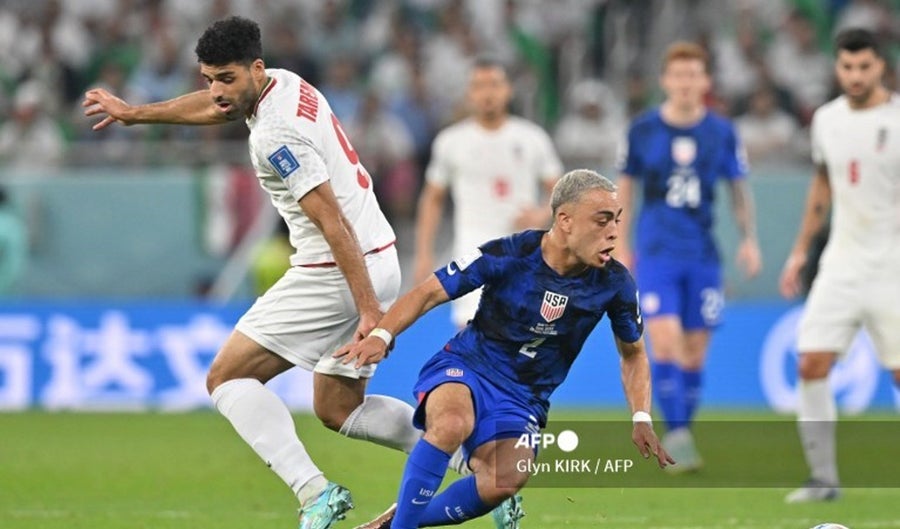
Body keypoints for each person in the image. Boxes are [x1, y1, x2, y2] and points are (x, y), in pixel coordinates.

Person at [82, 16, 423, 529]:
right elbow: (216, 107)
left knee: (226, 377)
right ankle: (471, 459)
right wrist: (135, 113)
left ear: (255, 69)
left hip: (336, 271)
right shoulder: (284, 83)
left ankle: (315, 493)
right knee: (338, 408)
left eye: (226, 78)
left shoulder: (276, 135)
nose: (217, 91)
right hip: (377, 257)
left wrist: (371, 311)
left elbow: (331, 221)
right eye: (209, 79)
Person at [337, 169, 674, 529]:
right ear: (565, 220)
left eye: (617, 221)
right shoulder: (510, 253)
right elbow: (429, 292)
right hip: (469, 366)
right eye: (602, 220)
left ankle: (396, 521)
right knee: (451, 424)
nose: (614, 232)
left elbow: (634, 353)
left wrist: (641, 417)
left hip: (524, 397)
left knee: (506, 479)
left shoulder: (615, 284)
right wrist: (382, 334)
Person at [615, 41, 762, 471]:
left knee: (695, 352)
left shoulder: (721, 131)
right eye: (678, 75)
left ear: (705, 81)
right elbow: (626, 189)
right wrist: (619, 243)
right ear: (665, 81)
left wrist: (749, 238)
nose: (685, 83)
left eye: (693, 75)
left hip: (702, 256)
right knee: (663, 340)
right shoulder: (643, 129)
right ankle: (677, 435)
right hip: (656, 253)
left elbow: (738, 190)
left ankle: (683, 430)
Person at [778, 27, 900, 504]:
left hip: (892, 265)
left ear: (880, 66)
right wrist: (799, 251)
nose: (855, 75)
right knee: (811, 361)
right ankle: (823, 479)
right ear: (837, 68)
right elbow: (823, 186)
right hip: (842, 263)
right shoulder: (827, 120)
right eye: (847, 67)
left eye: (864, 66)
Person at [413, 56, 563, 329]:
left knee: (523, 336)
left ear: (508, 90)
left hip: (524, 252)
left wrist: (543, 213)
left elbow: (561, 191)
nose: (487, 93)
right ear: (469, 93)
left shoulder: (532, 138)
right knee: (471, 332)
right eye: (479, 86)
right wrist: (424, 253)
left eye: (494, 84)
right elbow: (433, 199)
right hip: (472, 251)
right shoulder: (451, 142)